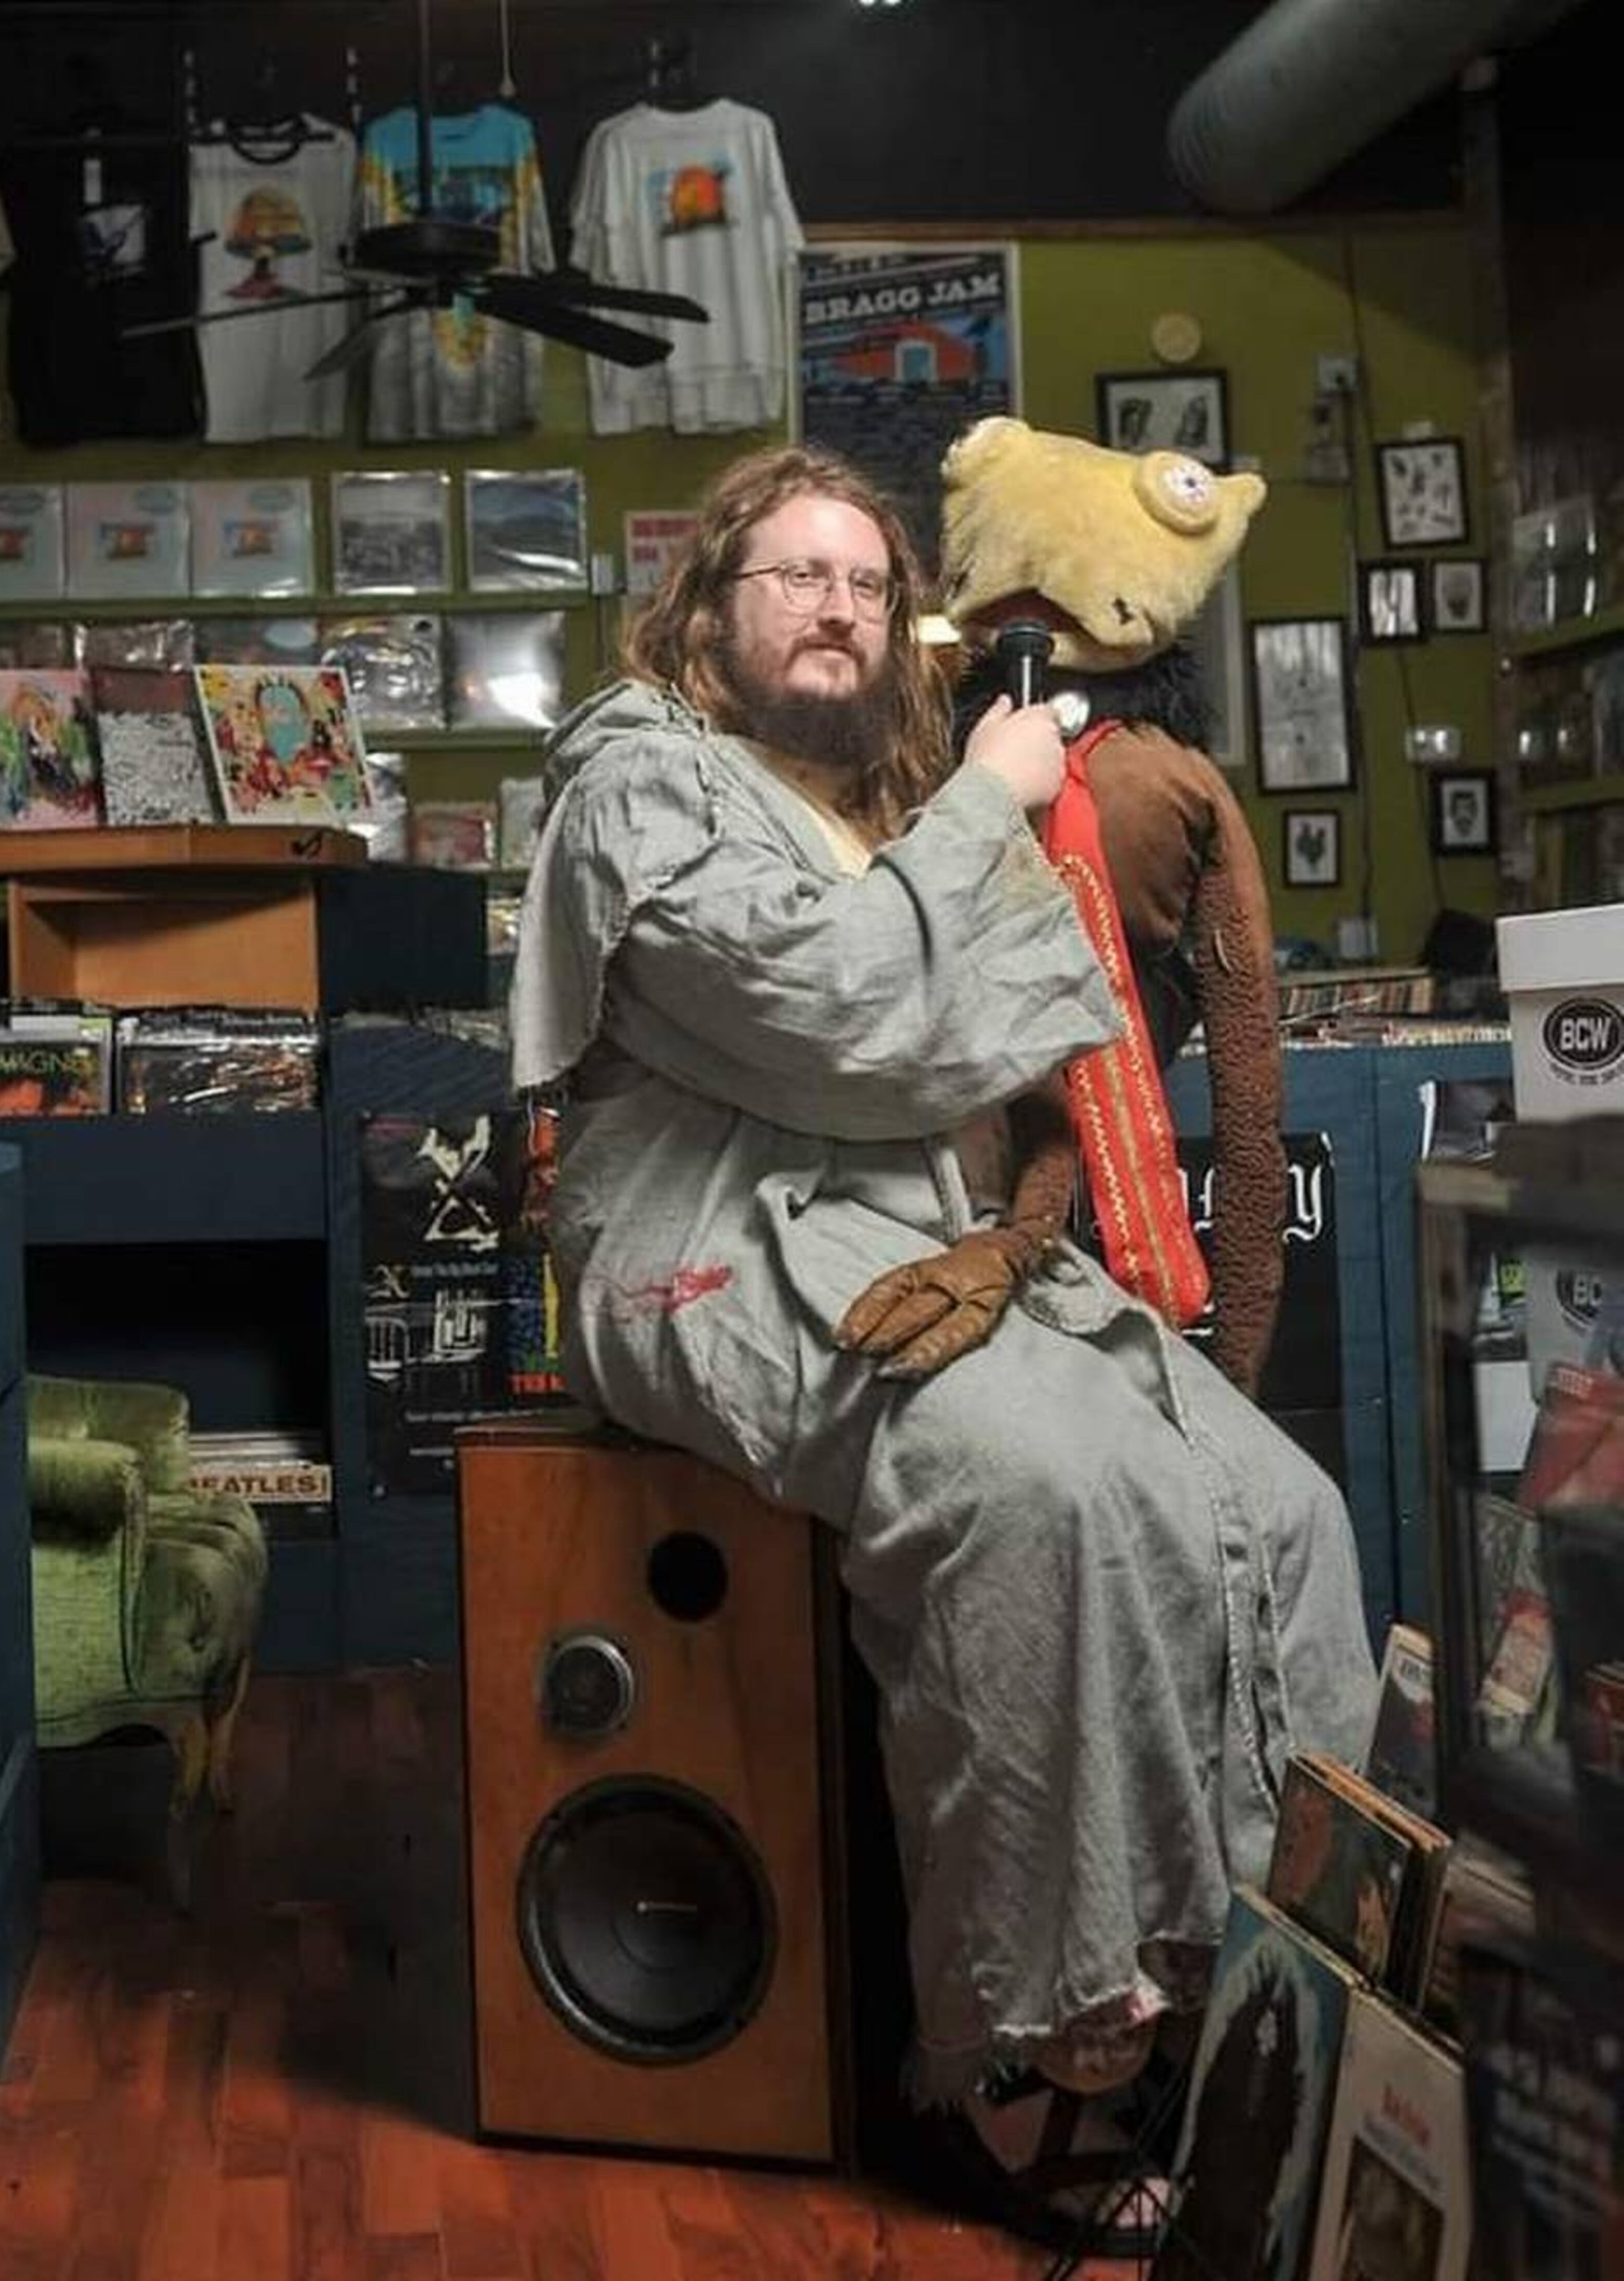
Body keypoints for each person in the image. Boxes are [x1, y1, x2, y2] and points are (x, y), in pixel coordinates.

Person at [507, 442, 1375, 2248]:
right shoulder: (639, 779)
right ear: (704, 611)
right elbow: (841, 1015)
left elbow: (982, 1039)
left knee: (1276, 1506)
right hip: (715, 1259)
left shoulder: (865, 800)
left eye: (866, 583)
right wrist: (990, 798)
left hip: (923, 1253)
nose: (837, 607)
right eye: (794, 575)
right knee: (1037, 1489)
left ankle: (1249, 1975)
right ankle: (1025, 2050)